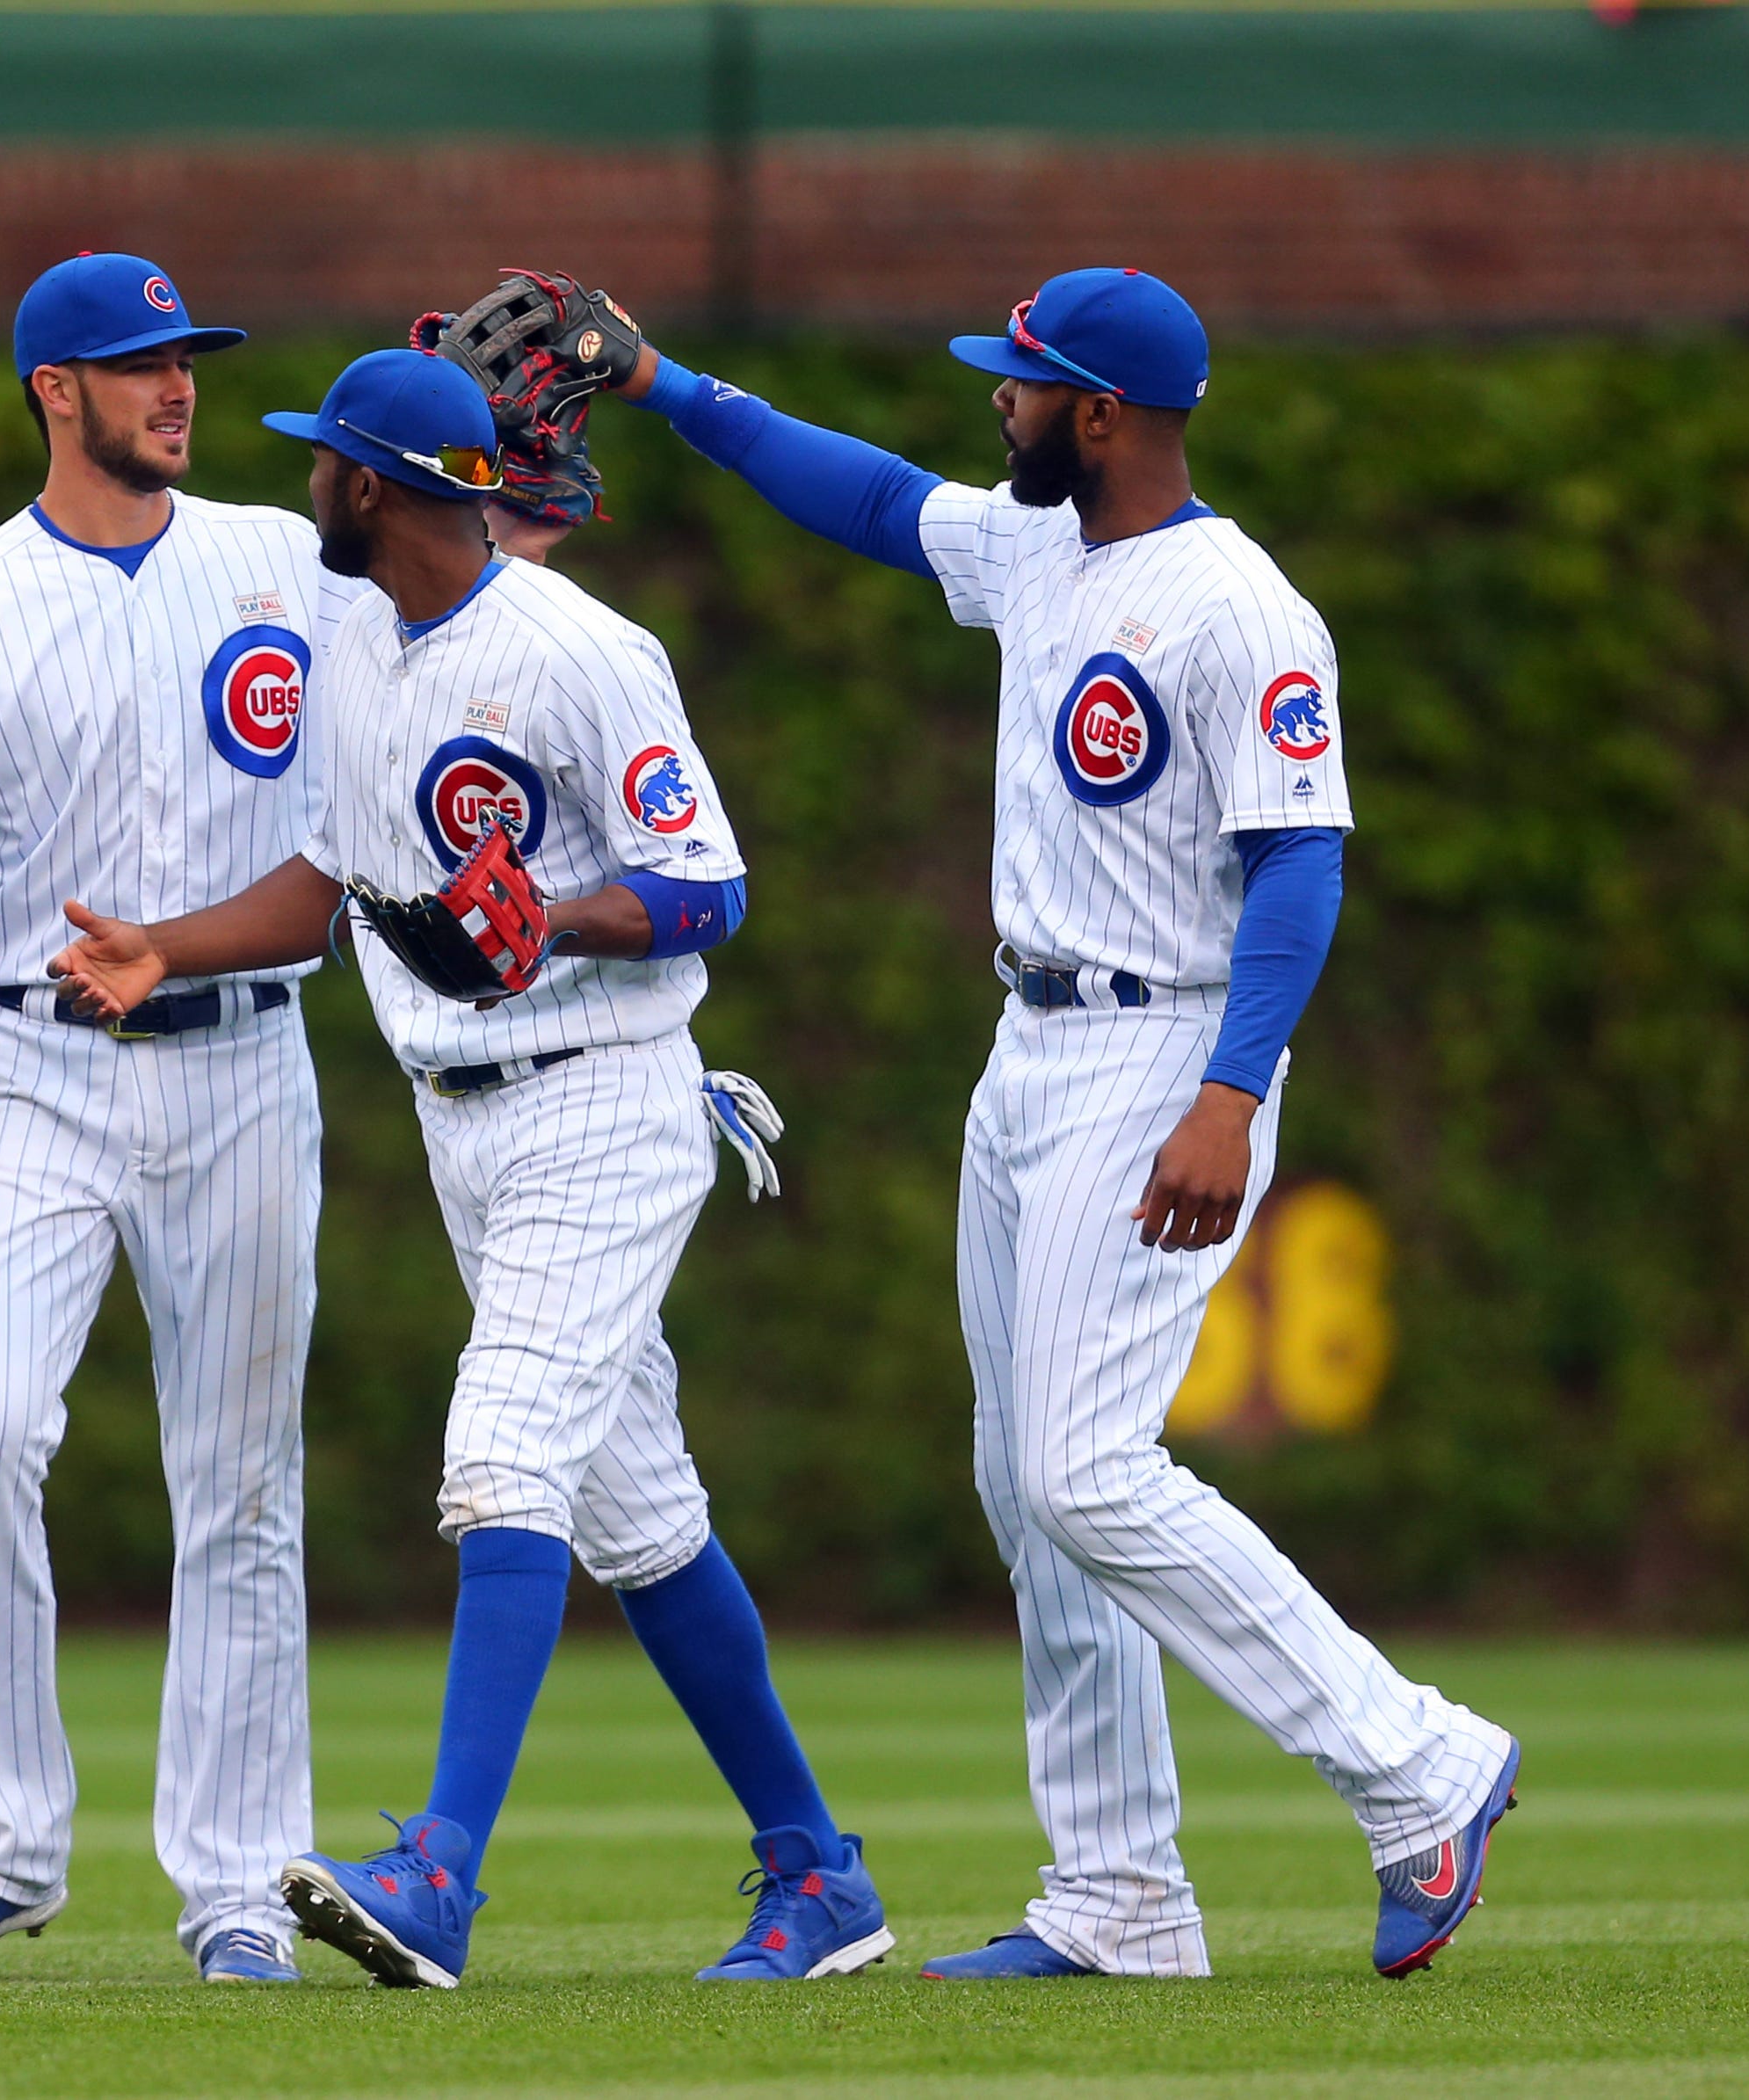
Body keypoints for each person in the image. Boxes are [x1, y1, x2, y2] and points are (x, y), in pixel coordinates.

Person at [588, 267, 1520, 1981]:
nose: (990, 404)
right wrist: (660, 385)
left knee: (1083, 1465)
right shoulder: (1038, 550)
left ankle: (1417, 1764)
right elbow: (862, 495)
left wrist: (1231, 1095)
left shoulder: (1239, 606)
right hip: (1029, 1044)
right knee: (1027, 1491)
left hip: (1166, 1049)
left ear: (1097, 412)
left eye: (1015, 385)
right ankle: (1117, 1900)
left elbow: (1298, 864)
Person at [47, 346, 891, 1990]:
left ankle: (436, 1873)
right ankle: (818, 1874)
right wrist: (170, 944)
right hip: (463, 1121)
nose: (304, 485)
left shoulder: (584, 650)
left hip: (604, 1097)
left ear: (370, 487)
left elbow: (707, 884)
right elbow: (333, 885)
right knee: (637, 1518)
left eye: (321, 465)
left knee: (500, 1459)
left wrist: (559, 917)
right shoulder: (358, 642)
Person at [0, 252, 360, 1985]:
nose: (178, 384)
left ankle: (234, 1877)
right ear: (53, 388)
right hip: (32, 1071)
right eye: (139, 362)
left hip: (242, 1064)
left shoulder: (278, 561)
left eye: (187, 357)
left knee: (239, 1483)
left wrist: (503, 516)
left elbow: (443, 630)